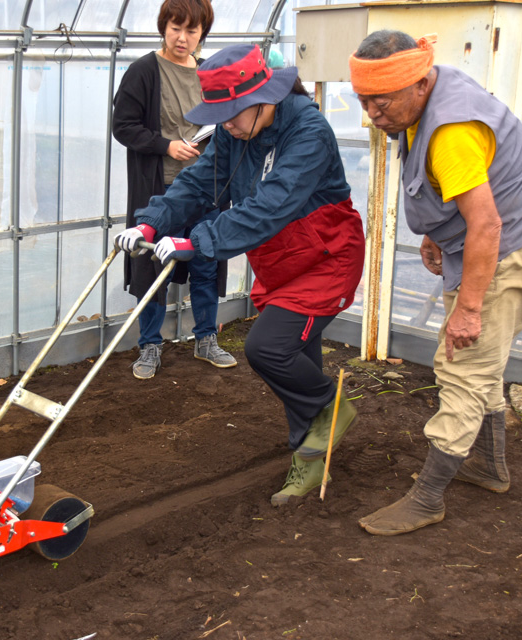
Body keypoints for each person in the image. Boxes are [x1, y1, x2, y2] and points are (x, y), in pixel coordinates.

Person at [115, 43, 365, 506]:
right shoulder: (237, 131)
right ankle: (309, 461)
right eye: (221, 115)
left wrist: (199, 242)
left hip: (326, 259)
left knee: (267, 348)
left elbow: (273, 205)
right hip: (280, 259)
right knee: (298, 360)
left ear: (263, 97)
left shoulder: (308, 132)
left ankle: (331, 410)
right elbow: (199, 181)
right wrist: (153, 220)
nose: (226, 123)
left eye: (232, 113)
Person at [348, 31, 522, 536]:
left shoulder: (451, 132)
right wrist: (442, 237)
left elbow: (487, 225)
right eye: (364, 101)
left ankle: (427, 498)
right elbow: (462, 207)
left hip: (508, 254)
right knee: (481, 366)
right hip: (492, 246)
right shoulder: (424, 105)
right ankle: (488, 467)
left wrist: (468, 308)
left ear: (421, 83)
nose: (373, 114)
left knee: (461, 368)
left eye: (382, 101)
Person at [112, 0, 237, 380]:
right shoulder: (144, 71)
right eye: (175, 28)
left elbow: (228, 120)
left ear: (203, 34)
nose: (183, 38)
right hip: (163, 190)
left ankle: (205, 339)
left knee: (205, 260)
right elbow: (123, 126)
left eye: (192, 31)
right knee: (153, 268)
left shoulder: (208, 72)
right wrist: (166, 145)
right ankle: (149, 345)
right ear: (163, 27)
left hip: (208, 189)